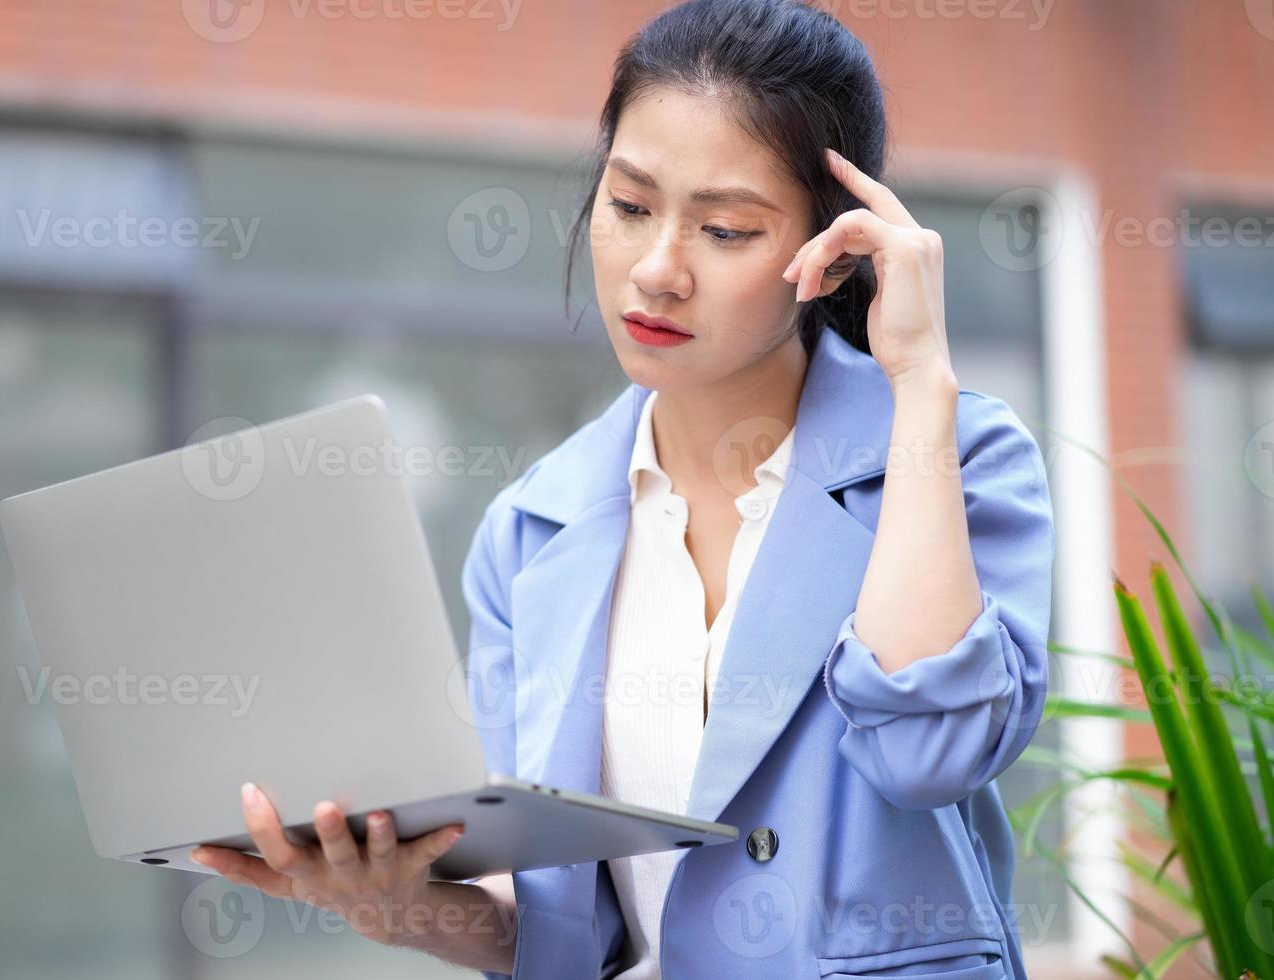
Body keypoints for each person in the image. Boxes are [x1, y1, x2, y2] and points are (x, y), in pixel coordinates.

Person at [190, 1, 1055, 977]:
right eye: (630, 205)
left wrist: (920, 381)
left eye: (725, 229)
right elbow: (561, 924)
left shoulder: (953, 452)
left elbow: (930, 753)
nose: (655, 268)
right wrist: (406, 908)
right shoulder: (529, 528)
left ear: (832, 249)